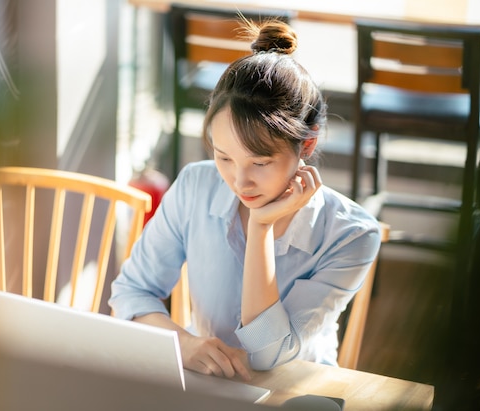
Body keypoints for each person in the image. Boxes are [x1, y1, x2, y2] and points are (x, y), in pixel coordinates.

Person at [109, 17, 381, 382]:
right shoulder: (195, 185)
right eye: (224, 157)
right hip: (209, 384)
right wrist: (184, 343)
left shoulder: (353, 234)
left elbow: (268, 354)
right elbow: (131, 292)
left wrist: (262, 226)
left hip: (294, 395)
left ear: (308, 144)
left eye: (260, 162)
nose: (239, 181)